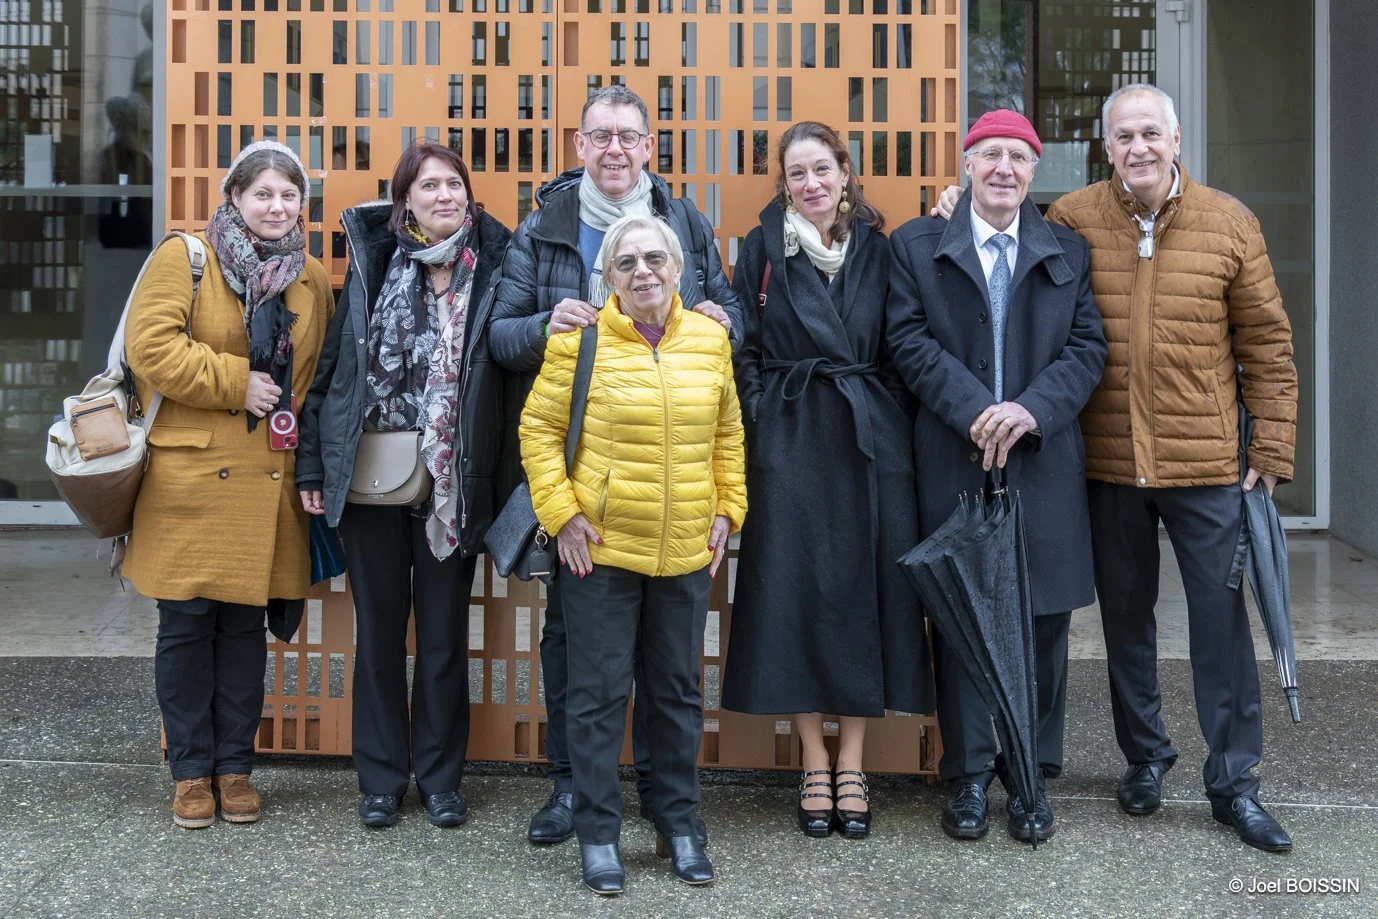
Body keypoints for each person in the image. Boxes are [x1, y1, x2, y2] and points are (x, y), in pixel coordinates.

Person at [936, 85, 1299, 852]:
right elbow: (996, 223)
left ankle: (1234, 781)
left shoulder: (1229, 222)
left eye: (1149, 134)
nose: (1137, 148)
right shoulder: (1073, 222)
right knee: (1125, 623)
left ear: (1174, 140)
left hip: (1205, 464)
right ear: (1106, 148)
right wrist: (950, 203)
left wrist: (1270, 447)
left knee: (1220, 625)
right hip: (1104, 463)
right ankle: (1147, 756)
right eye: (1123, 137)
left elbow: (1268, 344)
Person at [489, 84, 741, 847]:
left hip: (668, 481)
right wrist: (546, 324)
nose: (614, 150)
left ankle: (667, 812)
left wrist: (722, 317)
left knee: (668, 671)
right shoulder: (546, 225)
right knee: (576, 652)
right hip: (580, 477)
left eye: (628, 136)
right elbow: (500, 337)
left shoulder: (685, 222)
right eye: (600, 136)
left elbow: (727, 315)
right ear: (578, 145)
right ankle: (572, 791)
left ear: (648, 147)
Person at [890, 110, 1107, 845]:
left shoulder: (1066, 251)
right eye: (990, 156)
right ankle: (969, 775)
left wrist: (1029, 411)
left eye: (1018, 156)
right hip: (956, 452)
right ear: (968, 165)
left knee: (1044, 621)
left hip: (1041, 460)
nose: (1005, 168)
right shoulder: (917, 246)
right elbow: (907, 340)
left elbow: (1087, 349)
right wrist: (978, 410)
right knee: (959, 619)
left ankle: (1029, 771)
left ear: (1034, 169)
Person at [519, 214, 746, 894]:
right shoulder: (579, 342)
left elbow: (728, 432)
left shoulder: (710, 339)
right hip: (601, 551)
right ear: (609, 276)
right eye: (627, 263)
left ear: (678, 269)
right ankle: (597, 833)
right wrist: (560, 516)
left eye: (655, 259)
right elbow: (537, 430)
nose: (643, 271)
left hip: (682, 551)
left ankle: (678, 823)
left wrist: (728, 510)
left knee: (676, 694)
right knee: (595, 696)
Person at [720, 121, 933, 841]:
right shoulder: (761, 251)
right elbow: (739, 347)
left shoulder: (883, 246)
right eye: (796, 174)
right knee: (794, 593)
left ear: (846, 173)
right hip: (791, 438)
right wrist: (760, 418)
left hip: (870, 441)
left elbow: (905, 341)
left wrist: (889, 416)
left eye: (822, 169)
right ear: (783, 183)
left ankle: (854, 758)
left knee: (867, 592)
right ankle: (813, 757)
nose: (810, 184)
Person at [296, 141, 513, 829]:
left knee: (446, 637)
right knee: (379, 636)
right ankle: (382, 780)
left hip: (453, 484)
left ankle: (443, 780)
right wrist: (311, 464)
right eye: (428, 186)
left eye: (454, 184)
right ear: (406, 201)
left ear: (469, 195)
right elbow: (333, 373)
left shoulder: (499, 268)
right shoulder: (375, 263)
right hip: (371, 479)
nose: (444, 196)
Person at [122, 141, 333, 828]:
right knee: (186, 626)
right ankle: (190, 771)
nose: (277, 206)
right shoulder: (185, 258)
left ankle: (235, 767)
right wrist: (234, 382)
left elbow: (314, 384)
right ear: (235, 197)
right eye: (263, 193)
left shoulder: (312, 279)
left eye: (289, 195)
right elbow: (148, 347)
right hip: (189, 476)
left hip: (266, 482)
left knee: (244, 628)